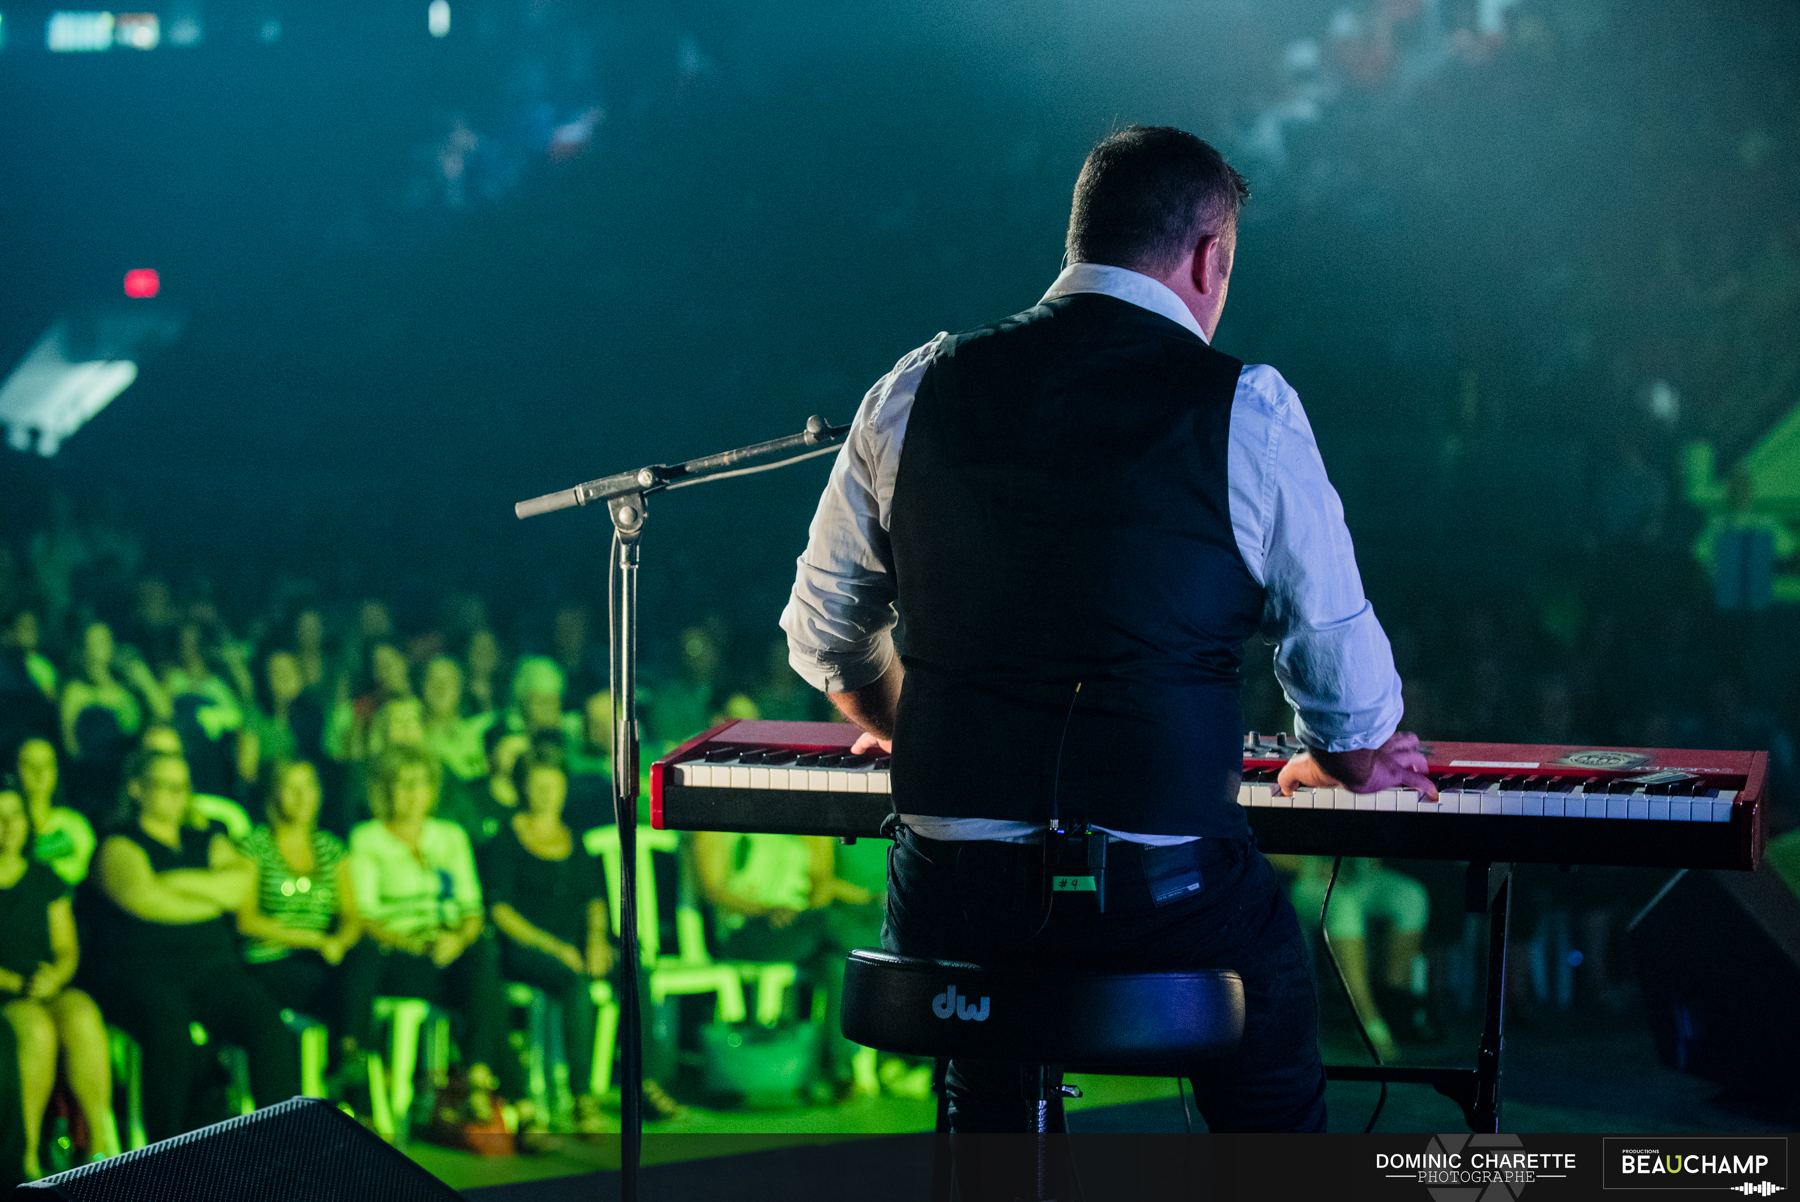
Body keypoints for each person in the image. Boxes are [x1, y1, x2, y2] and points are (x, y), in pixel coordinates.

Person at [779, 127, 1433, 1140]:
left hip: (956, 903)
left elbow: (824, 636)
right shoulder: (1246, 409)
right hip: (1163, 904)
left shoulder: (916, 387)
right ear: (1210, 257)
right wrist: (1332, 764)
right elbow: (1356, 725)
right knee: (1271, 1029)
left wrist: (917, 717)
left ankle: (991, 1140)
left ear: (1082, 234)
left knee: (987, 1070)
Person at [80, 750, 300, 1142]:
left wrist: (172, 881)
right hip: (140, 972)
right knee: (168, 1026)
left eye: (183, 787)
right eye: (166, 786)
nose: (177, 796)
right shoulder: (117, 843)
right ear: (136, 789)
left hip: (212, 969)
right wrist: (209, 895)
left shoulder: (208, 838)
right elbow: (144, 898)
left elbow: (240, 889)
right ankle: (168, 1149)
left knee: (269, 1026)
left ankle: (280, 1143)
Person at [481, 743, 681, 1126]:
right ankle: (582, 1096)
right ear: (524, 787)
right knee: (572, 983)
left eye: (553, 786)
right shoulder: (506, 839)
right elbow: (501, 911)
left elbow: (594, 899)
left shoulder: (572, 836)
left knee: (634, 969)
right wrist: (556, 949)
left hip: (577, 942)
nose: (546, 795)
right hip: (529, 948)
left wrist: (594, 940)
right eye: (538, 786)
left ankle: (645, 1079)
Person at [341, 746, 521, 1112]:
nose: (411, 794)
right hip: (398, 954)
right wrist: (414, 943)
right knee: (488, 994)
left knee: (483, 958)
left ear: (432, 790)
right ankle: (507, 1097)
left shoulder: (449, 836)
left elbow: (472, 909)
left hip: (449, 948)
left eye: (419, 784)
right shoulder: (367, 838)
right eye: (402, 784)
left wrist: (457, 939)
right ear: (384, 790)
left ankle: (478, 1076)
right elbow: (364, 916)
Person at [692, 830, 875, 1100]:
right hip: (746, 927)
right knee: (842, 928)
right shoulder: (715, 820)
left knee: (839, 964)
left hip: (800, 925)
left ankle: (840, 1073)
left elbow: (821, 882)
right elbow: (713, 888)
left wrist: (801, 911)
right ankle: (889, 951)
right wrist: (768, 909)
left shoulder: (803, 816)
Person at [0, 786, 118, 1177]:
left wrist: (54, 976)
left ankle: (96, 1148)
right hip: (8, 992)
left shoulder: (44, 878)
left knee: (83, 1014)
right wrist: (17, 984)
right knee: (35, 1031)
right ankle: (28, 1154)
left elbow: (66, 947)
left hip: (45, 985)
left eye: (15, 815)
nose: (8, 825)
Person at [235, 760, 364, 1062]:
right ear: (272, 793)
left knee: (362, 963)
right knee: (332, 988)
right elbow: (246, 919)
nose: (302, 796)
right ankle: (340, 1068)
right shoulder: (254, 845)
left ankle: (350, 1051)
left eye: (309, 787)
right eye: (291, 788)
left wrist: (340, 942)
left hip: (321, 955)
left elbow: (351, 913)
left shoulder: (331, 847)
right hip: (272, 958)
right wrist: (313, 940)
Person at [16, 738, 96, 887]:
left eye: (47, 764)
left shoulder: (75, 823)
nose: (39, 771)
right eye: (29, 764)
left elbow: (91, 876)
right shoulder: (6, 826)